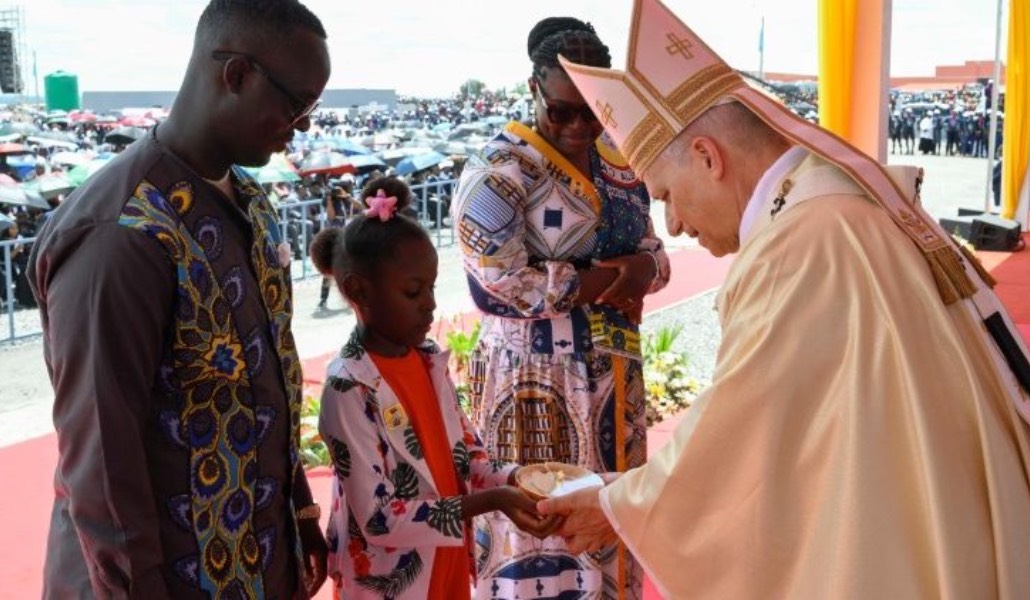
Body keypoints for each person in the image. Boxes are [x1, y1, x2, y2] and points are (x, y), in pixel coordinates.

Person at [539, 0, 1030, 597]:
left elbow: (744, 443)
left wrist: (617, 506)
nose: (675, 224)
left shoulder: (796, 247)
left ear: (707, 158)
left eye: (669, 194)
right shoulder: (831, 204)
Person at [27, 1, 332, 597]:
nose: (302, 127)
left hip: (255, 561)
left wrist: (297, 515)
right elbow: (103, 469)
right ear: (237, 74)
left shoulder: (250, 202)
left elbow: (273, 379)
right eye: (298, 104)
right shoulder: (121, 234)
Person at [450, 16, 670, 600]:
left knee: (613, 517)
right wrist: (606, 279)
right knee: (539, 523)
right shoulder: (498, 172)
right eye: (562, 110)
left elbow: (655, 249)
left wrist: (645, 268)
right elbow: (500, 281)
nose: (578, 125)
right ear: (534, 90)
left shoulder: (621, 161)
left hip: (615, 375)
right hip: (533, 379)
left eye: (593, 110)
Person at [310, 176, 560, 599]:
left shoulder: (429, 361)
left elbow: (467, 455)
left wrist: (518, 479)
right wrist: (490, 501)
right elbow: (379, 519)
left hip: (445, 565)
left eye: (430, 286)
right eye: (412, 291)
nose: (430, 303)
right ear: (358, 290)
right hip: (392, 583)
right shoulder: (348, 388)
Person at [317, 181, 360, 310]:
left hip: (347, 236)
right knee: (329, 269)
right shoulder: (330, 201)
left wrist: (346, 196)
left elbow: (360, 206)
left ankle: (351, 297)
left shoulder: (346, 199)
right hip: (334, 238)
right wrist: (330, 198)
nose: (337, 192)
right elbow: (331, 216)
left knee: (350, 268)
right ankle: (323, 299)